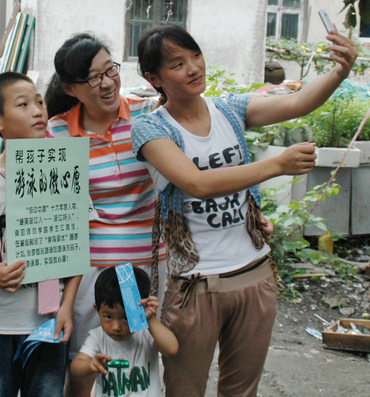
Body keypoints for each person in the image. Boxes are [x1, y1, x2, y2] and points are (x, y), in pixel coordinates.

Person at [131, 24, 358, 396]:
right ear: (154, 78)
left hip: (254, 275)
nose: (193, 68)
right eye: (177, 64)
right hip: (196, 285)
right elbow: (197, 183)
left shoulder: (229, 109)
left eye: (195, 56)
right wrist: (277, 165)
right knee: (183, 390)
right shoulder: (151, 128)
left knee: (242, 392)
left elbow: (297, 103)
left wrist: (339, 71)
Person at [0, 34, 165, 374]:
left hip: (145, 266)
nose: (107, 82)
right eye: (93, 77)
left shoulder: (148, 116)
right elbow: (10, 166)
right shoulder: (55, 134)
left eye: (109, 70)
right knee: (85, 365)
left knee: (135, 365)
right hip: (87, 273)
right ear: (70, 89)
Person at [0, 71, 81, 397]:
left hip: (48, 323)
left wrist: (66, 307)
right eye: (23, 105)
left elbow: (76, 247)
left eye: (40, 102)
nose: (38, 110)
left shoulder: (63, 173)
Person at [70, 265, 178, 397]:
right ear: (96, 308)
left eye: (125, 318)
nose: (116, 327)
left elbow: (171, 349)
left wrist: (150, 319)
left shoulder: (145, 333)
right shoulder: (97, 337)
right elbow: (75, 367)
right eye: (108, 317)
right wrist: (90, 364)